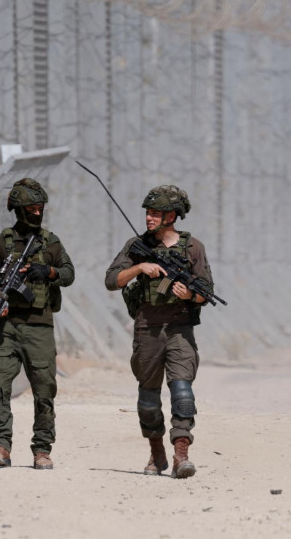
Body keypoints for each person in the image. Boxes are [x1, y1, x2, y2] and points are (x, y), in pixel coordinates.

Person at [104, 185, 213, 479]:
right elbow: (112, 280)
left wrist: (190, 296)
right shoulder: (136, 245)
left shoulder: (193, 248)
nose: (149, 218)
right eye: (148, 213)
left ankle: (181, 455)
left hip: (180, 329)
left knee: (182, 392)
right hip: (147, 329)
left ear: (171, 216)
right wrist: (140, 267)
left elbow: (207, 292)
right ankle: (157, 453)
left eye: (155, 213)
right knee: (148, 400)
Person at [0, 178, 75, 470]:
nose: (37, 212)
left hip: (39, 328)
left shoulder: (50, 242)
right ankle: (0, 446)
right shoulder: (1, 243)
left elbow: (69, 273)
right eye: (32, 208)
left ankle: (42, 449)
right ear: (19, 210)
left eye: (40, 207)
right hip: (8, 327)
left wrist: (46, 271)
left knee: (44, 388)